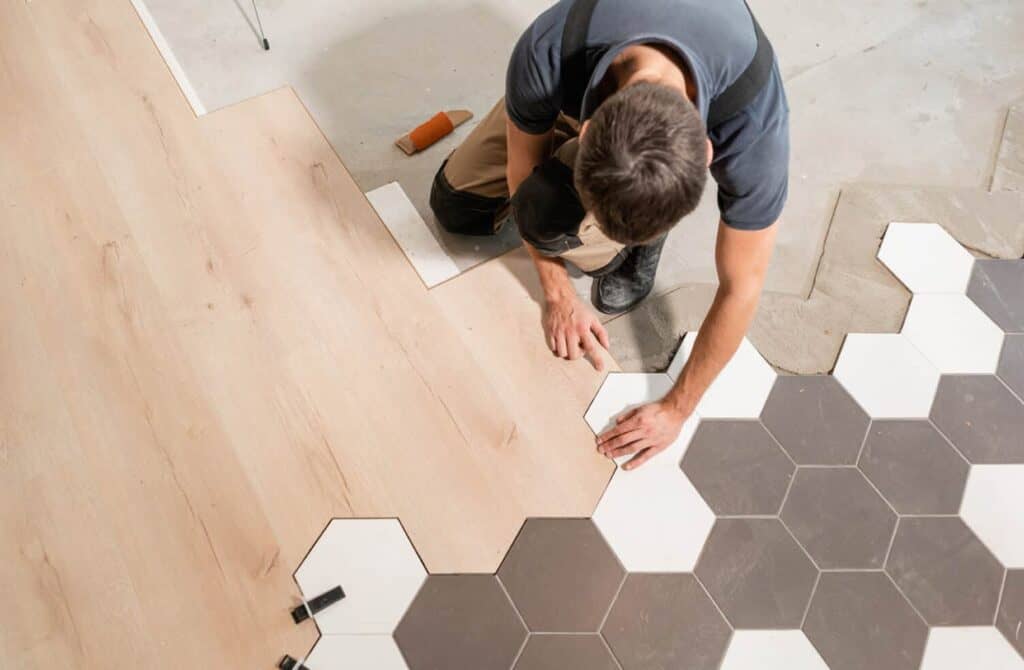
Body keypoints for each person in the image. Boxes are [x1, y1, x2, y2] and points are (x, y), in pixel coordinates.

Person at [429, 0, 789, 468]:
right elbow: (523, 171)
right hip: (570, 92)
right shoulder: (548, 51)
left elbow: (742, 287)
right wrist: (557, 293)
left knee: (573, 231)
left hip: (622, 104)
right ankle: (605, 189)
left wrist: (676, 409)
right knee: (458, 209)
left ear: (705, 152)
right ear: (590, 128)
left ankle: (644, 226)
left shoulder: (752, 122)